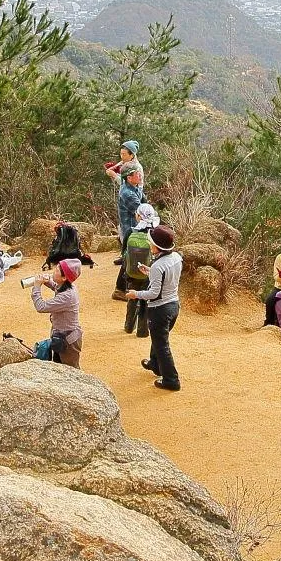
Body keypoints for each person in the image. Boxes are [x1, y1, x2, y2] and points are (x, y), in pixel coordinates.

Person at [127, 225, 183, 391]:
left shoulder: (159, 266)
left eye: (150, 242)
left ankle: (171, 380)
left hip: (160, 309)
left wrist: (135, 294)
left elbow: (153, 293)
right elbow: (167, 278)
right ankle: (155, 364)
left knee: (162, 344)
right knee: (159, 339)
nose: (149, 243)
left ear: (157, 246)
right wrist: (150, 272)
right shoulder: (176, 258)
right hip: (174, 305)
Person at [30, 258, 83, 368]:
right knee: (58, 366)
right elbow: (56, 287)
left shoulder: (67, 296)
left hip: (68, 341)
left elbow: (41, 307)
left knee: (71, 371)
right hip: (62, 337)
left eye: (57, 270)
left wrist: (36, 287)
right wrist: (47, 281)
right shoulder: (68, 286)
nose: (54, 271)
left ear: (64, 277)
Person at [123, 203, 159, 338]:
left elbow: (123, 253)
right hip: (149, 273)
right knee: (145, 300)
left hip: (132, 273)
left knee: (132, 297)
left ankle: (128, 326)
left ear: (139, 216)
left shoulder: (130, 232)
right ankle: (142, 331)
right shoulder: (155, 233)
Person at [113, 162, 146, 300]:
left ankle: (129, 286)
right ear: (129, 178)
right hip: (131, 230)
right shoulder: (127, 193)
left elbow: (145, 203)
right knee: (129, 257)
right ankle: (120, 289)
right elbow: (142, 211)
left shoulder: (135, 187)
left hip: (136, 228)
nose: (140, 175)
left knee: (134, 256)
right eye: (137, 173)